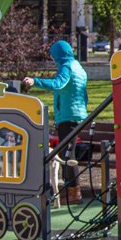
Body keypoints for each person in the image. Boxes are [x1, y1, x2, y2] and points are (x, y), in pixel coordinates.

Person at [22, 40, 88, 204]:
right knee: (68, 153)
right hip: (77, 114)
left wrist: (35, 81)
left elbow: (58, 84)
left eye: (54, 56)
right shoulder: (78, 67)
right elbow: (84, 94)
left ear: (58, 54)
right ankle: (72, 191)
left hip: (68, 115)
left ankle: (74, 193)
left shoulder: (66, 67)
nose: (53, 59)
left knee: (67, 155)